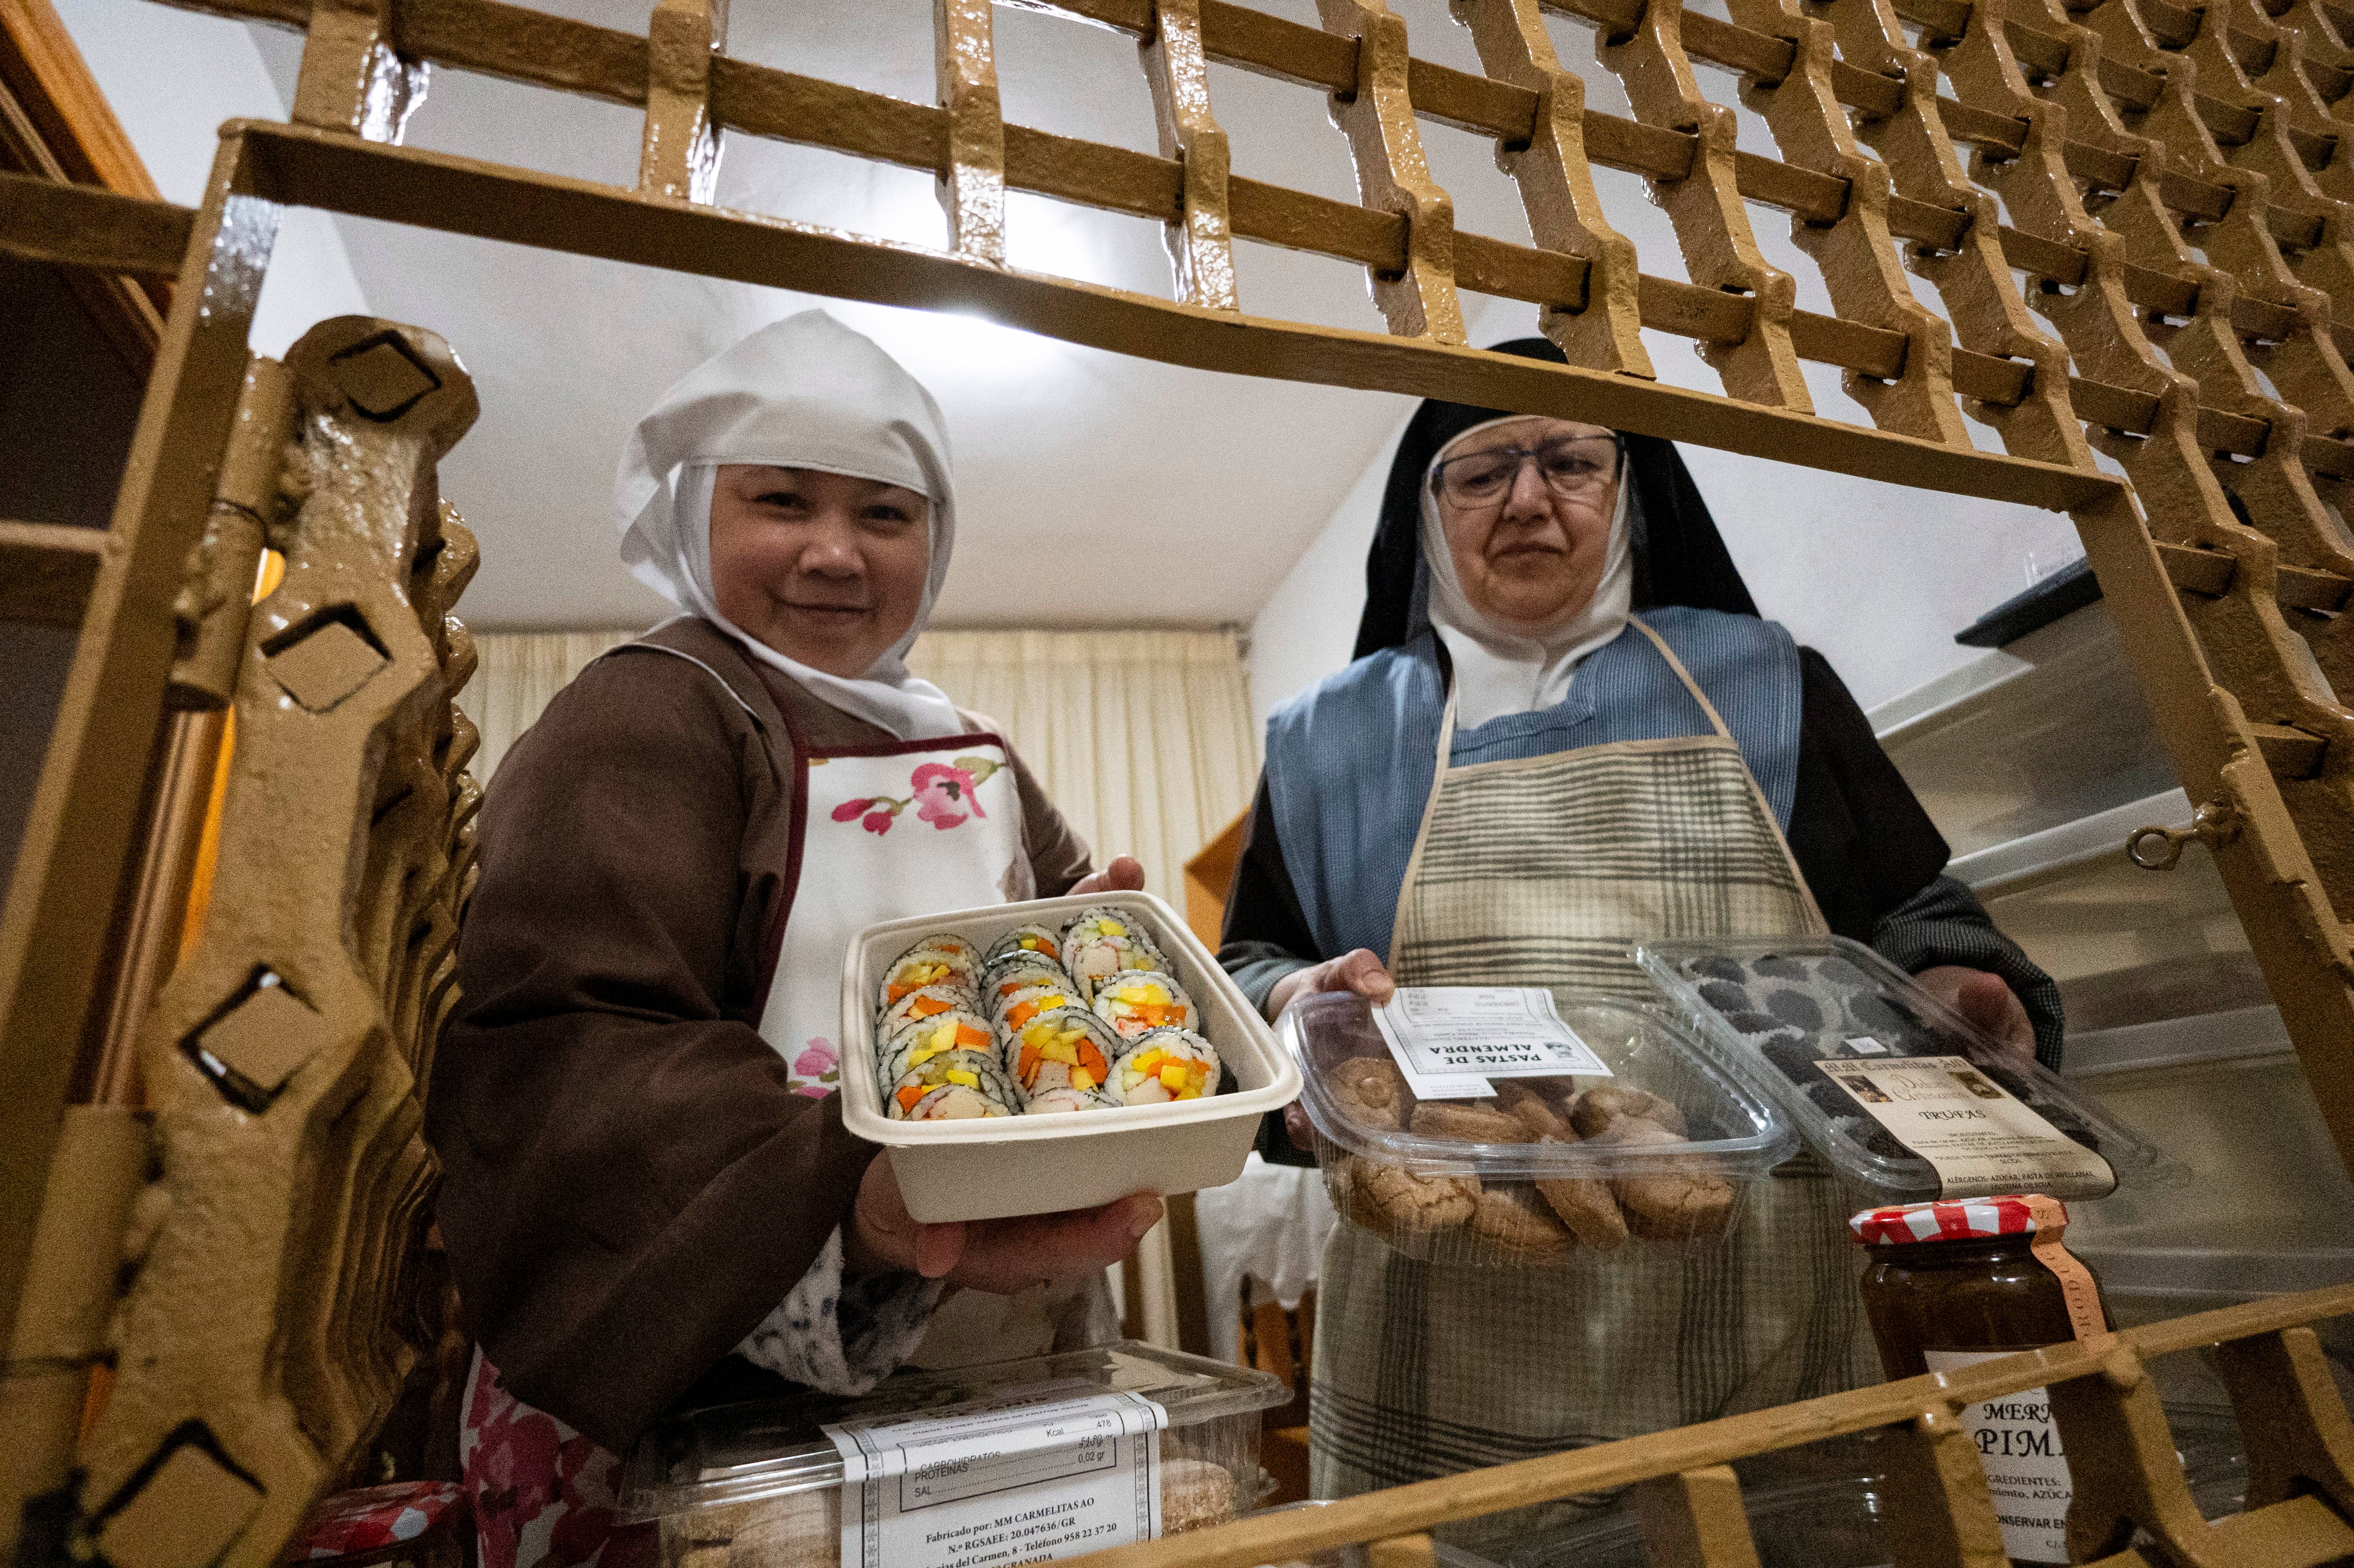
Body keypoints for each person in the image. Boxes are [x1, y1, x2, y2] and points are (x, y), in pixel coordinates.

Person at [1218, 339, 2061, 1522]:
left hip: (1762, 1292)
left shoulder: (1768, 680)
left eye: (1569, 461)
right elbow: (1247, 963)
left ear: (1629, 492)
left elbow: (1914, 909)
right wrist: (1290, 1003)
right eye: (1481, 471)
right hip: (1448, 1310)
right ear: (1426, 513)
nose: (1525, 498)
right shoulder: (1325, 738)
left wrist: (1960, 980)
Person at [427, 312, 1158, 1568]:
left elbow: (1080, 955)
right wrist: (861, 1202)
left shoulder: (967, 738)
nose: (835, 554)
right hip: (701, 1411)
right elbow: (573, 1056)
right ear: (691, 513)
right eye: (782, 501)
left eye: (886, 513)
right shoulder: (645, 711)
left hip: (983, 1376)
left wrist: (1165, 980)